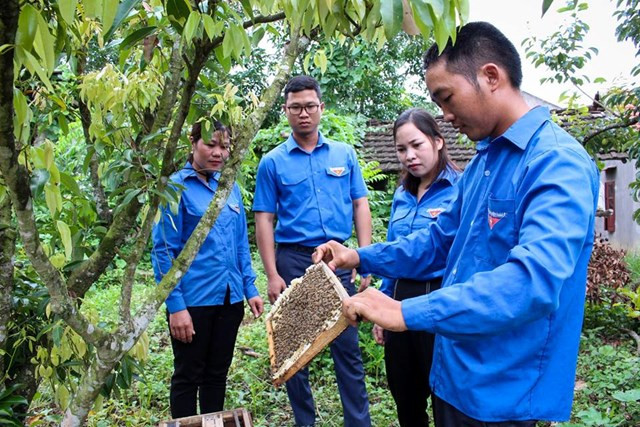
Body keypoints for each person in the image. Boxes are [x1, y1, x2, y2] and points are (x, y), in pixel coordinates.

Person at [313, 22, 600, 426]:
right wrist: (358, 255)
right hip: (454, 374)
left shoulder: (555, 163)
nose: (445, 116)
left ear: (490, 76)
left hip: (503, 392)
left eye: (447, 98)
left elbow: (531, 282)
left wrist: (406, 312)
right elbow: (436, 241)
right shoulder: (484, 161)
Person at [253, 75, 372, 427]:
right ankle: (305, 421)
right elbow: (264, 219)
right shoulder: (272, 163)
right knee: (295, 348)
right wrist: (272, 274)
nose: (303, 114)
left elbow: (360, 205)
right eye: (295, 108)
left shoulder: (343, 154)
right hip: (294, 259)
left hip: (339, 258)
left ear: (321, 108)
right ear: (285, 111)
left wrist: (364, 257)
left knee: (347, 346)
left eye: (309, 106)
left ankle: (358, 422)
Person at [151, 120, 264, 418]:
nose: (218, 153)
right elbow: (164, 251)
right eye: (210, 144)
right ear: (193, 142)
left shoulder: (230, 188)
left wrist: (250, 287)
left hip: (230, 299)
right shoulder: (175, 187)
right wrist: (176, 307)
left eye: (224, 146)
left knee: (217, 375)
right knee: (188, 376)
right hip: (193, 301)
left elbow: (241, 243)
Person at [374, 108, 461, 427]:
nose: (409, 156)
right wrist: (383, 305)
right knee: (405, 395)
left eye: (417, 145)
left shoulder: (460, 190)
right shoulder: (401, 195)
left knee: (443, 397)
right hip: (399, 302)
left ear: (437, 142)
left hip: (439, 301)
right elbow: (394, 253)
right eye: (401, 149)